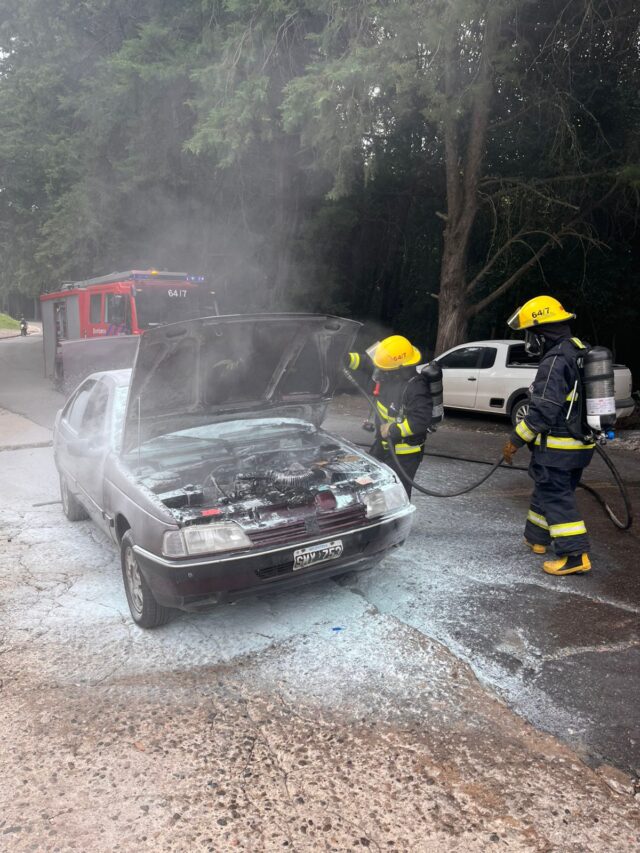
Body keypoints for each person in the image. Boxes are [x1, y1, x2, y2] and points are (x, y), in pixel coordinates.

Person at [502, 295, 595, 575]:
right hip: (579, 445)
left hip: (558, 448)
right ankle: (538, 539)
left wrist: (515, 441)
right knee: (548, 489)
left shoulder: (555, 361)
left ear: (542, 334)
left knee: (555, 495)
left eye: (530, 334)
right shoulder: (579, 350)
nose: (529, 342)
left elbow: (542, 411)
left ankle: (575, 556)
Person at [346, 335, 433, 497]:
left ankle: (393, 513)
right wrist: (346, 358)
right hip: (383, 444)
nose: (380, 370)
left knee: (396, 492)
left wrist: (393, 429)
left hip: (405, 453)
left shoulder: (416, 388)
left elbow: (421, 420)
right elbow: (367, 363)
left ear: (399, 368)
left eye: (384, 368)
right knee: (369, 481)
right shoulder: (389, 374)